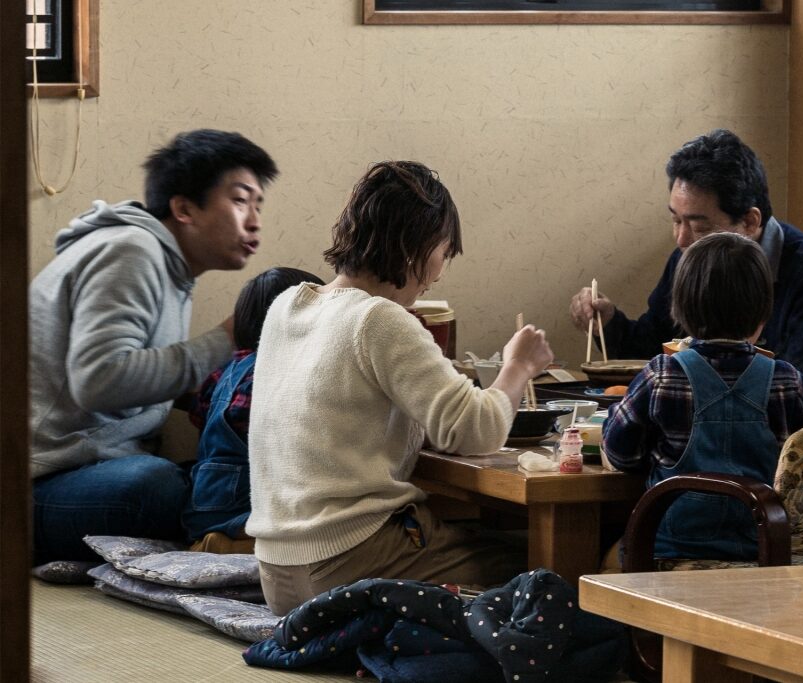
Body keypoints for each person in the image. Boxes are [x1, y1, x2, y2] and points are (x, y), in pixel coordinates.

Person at [246, 161, 554, 615]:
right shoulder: (378, 318)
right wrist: (519, 366)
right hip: (348, 559)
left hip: (277, 572)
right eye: (444, 252)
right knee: (543, 568)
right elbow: (477, 429)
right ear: (416, 246)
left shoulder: (288, 305)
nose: (440, 272)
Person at [30, 129, 278, 565]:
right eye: (240, 200)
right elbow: (99, 380)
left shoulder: (167, 267)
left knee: (225, 480)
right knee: (159, 487)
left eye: (258, 204)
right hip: (38, 482)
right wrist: (227, 338)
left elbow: (145, 373)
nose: (255, 220)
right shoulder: (131, 251)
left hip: (85, 472)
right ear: (184, 208)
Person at [603, 232, 803, 562]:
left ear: (679, 309)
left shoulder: (662, 374)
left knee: (606, 556)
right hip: (764, 546)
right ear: (763, 314)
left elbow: (621, 454)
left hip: (671, 547)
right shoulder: (786, 379)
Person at [569, 129, 803, 377]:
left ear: (750, 222)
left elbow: (801, 384)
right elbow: (652, 347)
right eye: (676, 220)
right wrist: (607, 322)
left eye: (699, 227)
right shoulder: (688, 256)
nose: (682, 239)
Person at [182, 267, 325, 553]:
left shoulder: (225, 370)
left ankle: (219, 540)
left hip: (202, 506)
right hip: (250, 509)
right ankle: (230, 546)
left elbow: (199, 415)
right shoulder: (285, 373)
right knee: (318, 541)